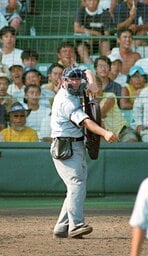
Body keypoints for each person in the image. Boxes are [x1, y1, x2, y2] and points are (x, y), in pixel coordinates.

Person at [51, 66, 118, 239]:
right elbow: (86, 122)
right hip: (65, 146)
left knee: (75, 185)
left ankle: (62, 225)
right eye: (71, 79)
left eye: (77, 79)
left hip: (76, 145)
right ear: (63, 82)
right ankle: (76, 225)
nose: (75, 82)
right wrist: (105, 133)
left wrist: (92, 82)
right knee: (76, 184)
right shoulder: (65, 100)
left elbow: (85, 69)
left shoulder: (77, 89)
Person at [96, 76, 138, 142]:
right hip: (105, 134)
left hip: (122, 130)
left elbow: (101, 113)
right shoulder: (89, 101)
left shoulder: (110, 96)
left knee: (131, 141)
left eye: (98, 86)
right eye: (95, 86)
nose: (97, 89)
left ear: (102, 86)